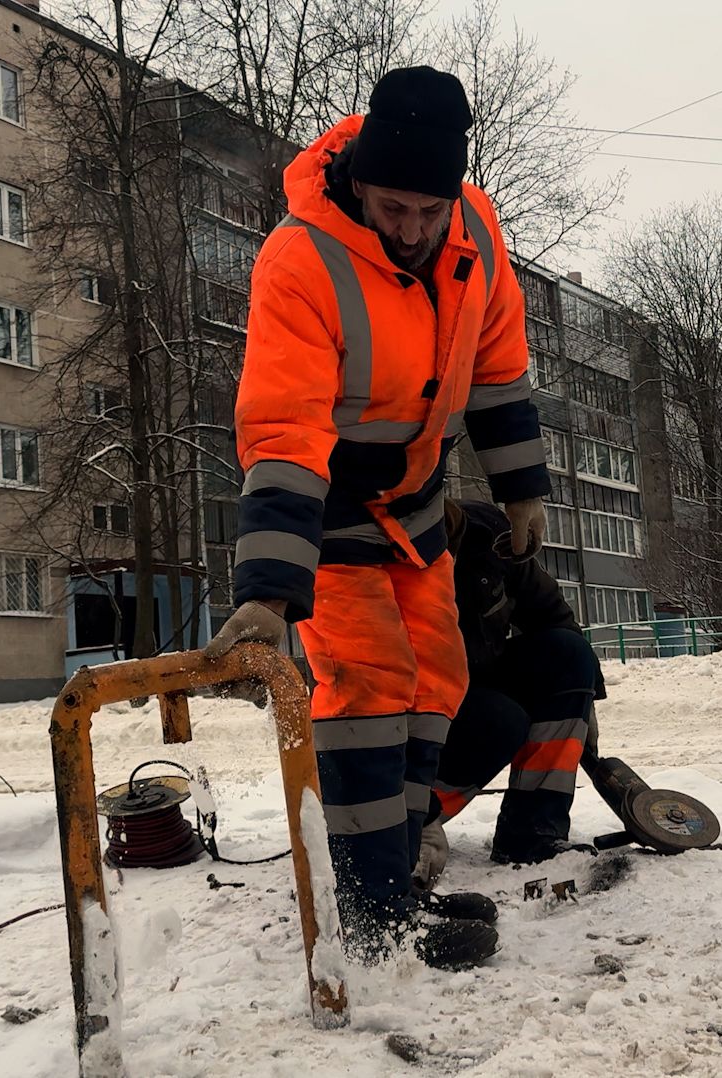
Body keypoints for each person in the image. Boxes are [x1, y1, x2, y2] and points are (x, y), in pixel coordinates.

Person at [203, 66, 551, 971]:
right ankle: (372, 912)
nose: (414, 232)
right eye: (395, 209)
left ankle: (396, 869)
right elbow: (282, 428)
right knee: (367, 687)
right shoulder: (299, 258)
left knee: (435, 677)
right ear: (360, 180)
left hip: (420, 500)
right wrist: (272, 592)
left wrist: (521, 487)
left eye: (429, 212)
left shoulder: (475, 229)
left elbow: (501, 364)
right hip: (333, 505)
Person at [412, 499, 603, 887]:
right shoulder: (377, 564)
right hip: (409, 719)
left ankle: (532, 834)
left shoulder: (492, 540)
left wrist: (581, 695)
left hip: (473, 683)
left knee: (568, 656)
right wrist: (411, 806)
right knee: (500, 720)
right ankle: (408, 822)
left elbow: (552, 614)